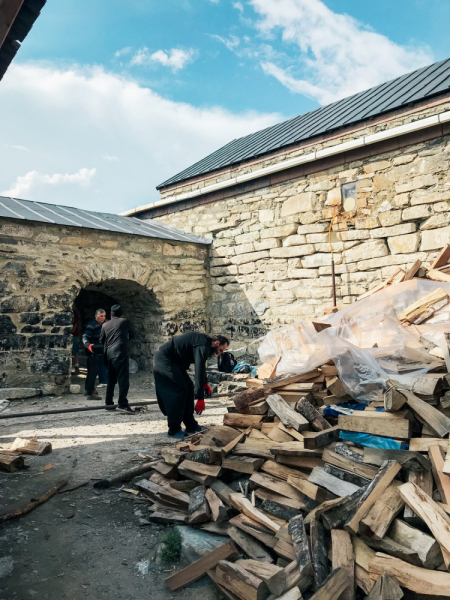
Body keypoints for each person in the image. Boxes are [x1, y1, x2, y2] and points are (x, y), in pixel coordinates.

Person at [153, 332, 229, 439]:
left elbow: (201, 366)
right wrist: (200, 398)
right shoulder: (203, 346)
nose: (219, 353)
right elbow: (198, 369)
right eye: (220, 350)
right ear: (216, 343)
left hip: (176, 362)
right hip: (165, 359)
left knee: (188, 387)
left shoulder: (205, 343)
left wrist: (205, 384)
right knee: (179, 391)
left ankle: (191, 425)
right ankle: (173, 429)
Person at [99, 304, 135, 414]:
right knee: (123, 380)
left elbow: (101, 340)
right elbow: (132, 335)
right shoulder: (125, 322)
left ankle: (109, 403)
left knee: (111, 380)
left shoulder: (105, 325)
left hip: (109, 355)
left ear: (111, 314)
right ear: (121, 314)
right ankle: (123, 404)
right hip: (120, 353)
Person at [82, 308, 106, 400]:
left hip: (100, 350)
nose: (102, 318)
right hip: (93, 350)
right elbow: (85, 336)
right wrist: (87, 344)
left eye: (104, 316)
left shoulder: (105, 324)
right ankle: (89, 392)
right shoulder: (92, 325)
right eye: (101, 316)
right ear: (96, 316)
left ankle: (90, 389)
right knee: (92, 371)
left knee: (95, 370)